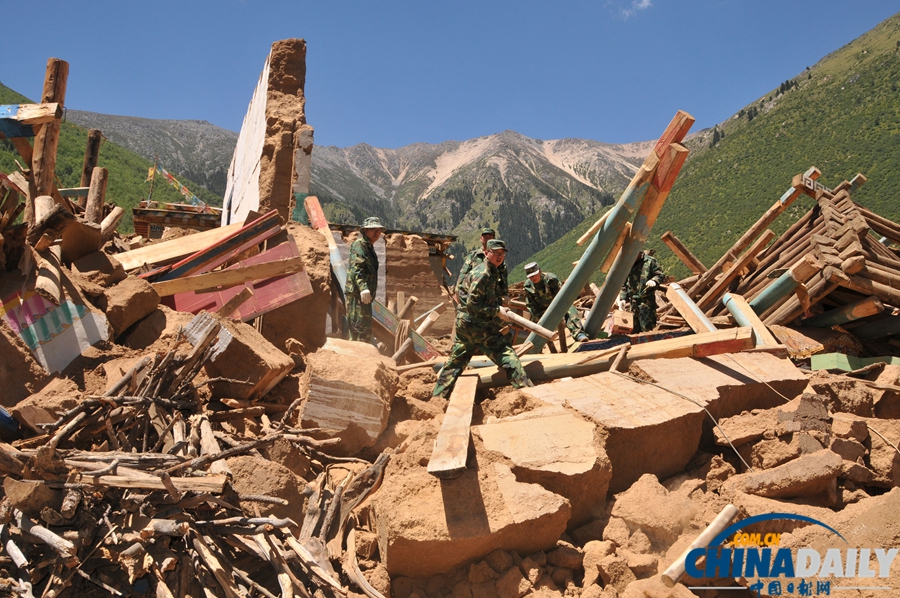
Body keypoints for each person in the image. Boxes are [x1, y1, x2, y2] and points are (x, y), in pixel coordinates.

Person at [432, 239, 532, 398]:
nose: (500, 257)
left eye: (502, 254)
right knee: (507, 355)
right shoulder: (483, 274)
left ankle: (437, 398)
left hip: (466, 325)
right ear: (487, 253)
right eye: (496, 253)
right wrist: (496, 311)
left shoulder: (492, 271)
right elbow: (474, 305)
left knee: (455, 363)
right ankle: (529, 394)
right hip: (478, 325)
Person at [523, 262, 589, 342]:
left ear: (540, 271)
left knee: (570, 310)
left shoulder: (551, 279)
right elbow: (530, 304)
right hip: (541, 309)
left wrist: (559, 308)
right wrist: (537, 316)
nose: (533, 278)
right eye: (530, 276)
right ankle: (537, 346)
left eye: (534, 275)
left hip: (558, 304)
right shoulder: (528, 286)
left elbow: (562, 296)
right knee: (535, 325)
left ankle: (579, 334)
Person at [345, 216, 385, 342]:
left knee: (364, 329)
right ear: (365, 231)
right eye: (373, 229)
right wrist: (363, 288)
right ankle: (355, 359)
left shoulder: (370, 248)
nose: (377, 233)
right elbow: (357, 268)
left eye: (379, 230)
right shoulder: (359, 245)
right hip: (357, 295)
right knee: (358, 329)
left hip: (364, 298)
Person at [457, 227, 509, 303]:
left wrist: (505, 294)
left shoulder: (499, 259)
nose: (488, 238)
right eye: (485, 236)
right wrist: (458, 290)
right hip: (475, 293)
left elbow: (503, 278)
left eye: (490, 237)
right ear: (481, 238)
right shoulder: (474, 256)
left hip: (492, 294)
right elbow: (463, 274)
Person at [618, 250, 665, 333]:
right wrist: (623, 298)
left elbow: (660, 275)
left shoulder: (650, 261)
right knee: (634, 329)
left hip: (646, 301)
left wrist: (654, 281)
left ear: (639, 253)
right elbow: (624, 282)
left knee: (648, 328)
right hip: (633, 303)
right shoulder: (628, 264)